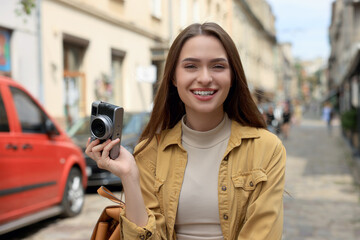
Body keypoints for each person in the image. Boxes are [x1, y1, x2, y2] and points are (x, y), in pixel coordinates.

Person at [86, 22, 286, 240]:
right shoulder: (149, 151)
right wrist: (129, 175)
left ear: (233, 76)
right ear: (173, 77)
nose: (205, 78)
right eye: (191, 66)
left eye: (218, 66)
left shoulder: (266, 149)